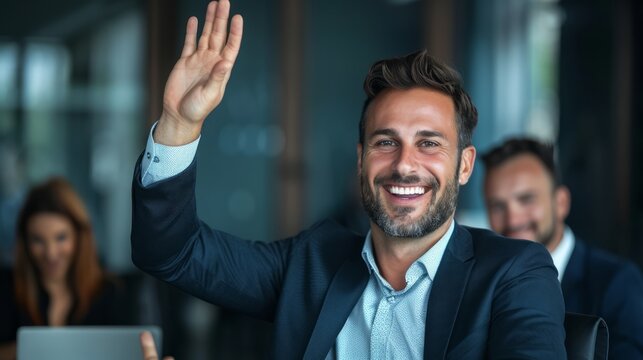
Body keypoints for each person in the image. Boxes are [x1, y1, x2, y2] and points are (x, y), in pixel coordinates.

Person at [131, 1, 566, 358]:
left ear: (465, 165)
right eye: (385, 142)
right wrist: (177, 123)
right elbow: (171, 251)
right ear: (361, 160)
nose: (405, 165)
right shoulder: (311, 263)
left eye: (429, 143)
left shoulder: (515, 273)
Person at [482, 137, 643, 359]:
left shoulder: (618, 283)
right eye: (498, 206)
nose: (513, 219)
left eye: (526, 199)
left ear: (561, 203)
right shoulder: (483, 286)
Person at [0, 178, 125, 360]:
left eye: (60, 238)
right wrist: (24, 350)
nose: (50, 254)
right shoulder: (6, 288)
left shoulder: (109, 293)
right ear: (25, 243)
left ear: (79, 237)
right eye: (37, 240)